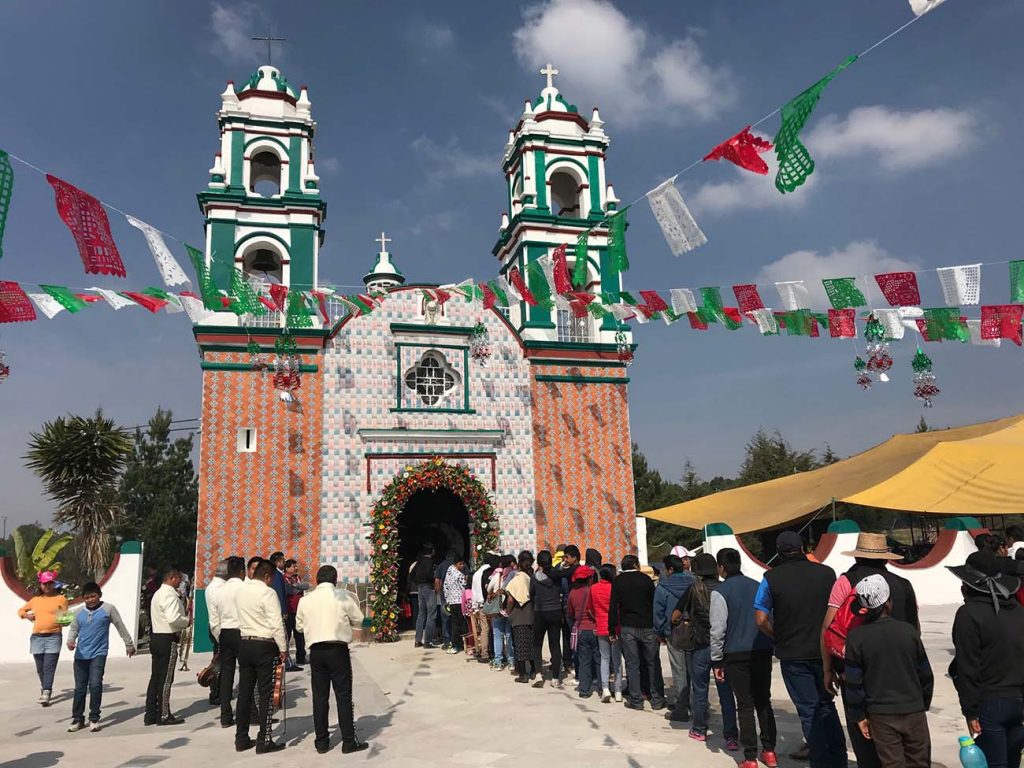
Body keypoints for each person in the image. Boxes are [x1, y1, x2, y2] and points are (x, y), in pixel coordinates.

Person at [821, 532, 919, 768]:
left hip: (856, 672)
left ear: (857, 556)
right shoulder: (903, 585)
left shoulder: (846, 582)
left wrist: (827, 669)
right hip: (900, 673)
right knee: (903, 742)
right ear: (885, 558)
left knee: (863, 735)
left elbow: (827, 628)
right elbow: (915, 629)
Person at [754, 531, 845, 768]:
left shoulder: (771, 578)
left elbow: (761, 619)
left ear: (778, 551)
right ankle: (839, 759)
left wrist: (778, 636)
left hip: (792, 653)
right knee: (827, 705)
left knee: (808, 710)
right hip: (824, 651)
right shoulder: (827, 574)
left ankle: (820, 762)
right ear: (803, 548)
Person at [843, 574, 933, 768]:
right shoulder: (908, 632)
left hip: (880, 715)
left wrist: (859, 715)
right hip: (913, 710)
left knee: (892, 763)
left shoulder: (856, 638)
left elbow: (853, 682)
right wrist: (922, 703)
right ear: (888, 603)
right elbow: (925, 674)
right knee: (919, 761)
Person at [949, 550, 1024, 768]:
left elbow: (968, 667)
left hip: (990, 703)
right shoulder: (1018, 611)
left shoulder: (968, 614)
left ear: (968, 586)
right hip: (1018, 701)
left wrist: (970, 711)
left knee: (993, 764)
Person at [710, 548, 776, 767]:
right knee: (763, 701)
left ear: (721, 567)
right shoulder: (758, 586)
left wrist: (716, 659)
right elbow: (769, 617)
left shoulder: (721, 592)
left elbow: (718, 629)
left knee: (745, 705)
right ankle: (769, 751)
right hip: (761, 649)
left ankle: (750, 757)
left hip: (735, 653)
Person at [296, 564, 369, 755]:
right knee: (343, 696)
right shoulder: (343, 596)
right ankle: (348, 742)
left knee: (320, 697)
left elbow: (299, 627)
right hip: (337, 650)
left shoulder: (306, 600)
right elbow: (359, 619)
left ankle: (321, 742)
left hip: (316, 652)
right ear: (335, 579)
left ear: (317, 579)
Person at [672, 552, 737, 747]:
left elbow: (675, 615)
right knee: (726, 692)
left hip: (700, 647)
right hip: (723, 647)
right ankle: (731, 736)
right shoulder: (725, 588)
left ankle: (699, 729)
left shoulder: (693, 589)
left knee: (700, 690)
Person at [65, 581, 135, 732]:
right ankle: (78, 719)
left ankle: (94, 718)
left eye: (93, 596)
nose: (90, 600)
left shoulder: (108, 609)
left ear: (99, 595)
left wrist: (128, 643)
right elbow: (74, 629)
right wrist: (70, 641)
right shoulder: (79, 612)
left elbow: (120, 626)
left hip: (99, 653)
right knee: (79, 689)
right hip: (81, 655)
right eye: (87, 597)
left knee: (95, 685)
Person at [234, 559, 287, 754]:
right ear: (266, 576)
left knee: (244, 693)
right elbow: (276, 623)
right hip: (264, 645)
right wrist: (283, 648)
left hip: (245, 643)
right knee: (266, 694)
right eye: (271, 578)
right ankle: (264, 740)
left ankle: (241, 738)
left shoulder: (241, 592)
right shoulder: (268, 593)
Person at [609, 554, 666, 711]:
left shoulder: (618, 581)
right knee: (653, 662)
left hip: (628, 627)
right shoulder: (646, 580)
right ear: (636, 565)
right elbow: (654, 603)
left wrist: (612, 628)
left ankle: (636, 699)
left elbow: (613, 606)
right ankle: (657, 699)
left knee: (632, 664)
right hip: (648, 626)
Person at [17, 570, 69, 707]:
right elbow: (20, 611)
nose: (47, 586)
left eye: (50, 583)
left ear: (54, 584)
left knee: (49, 666)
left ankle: (47, 691)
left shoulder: (61, 599)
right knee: (40, 668)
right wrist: (27, 615)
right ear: (40, 585)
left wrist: (65, 621)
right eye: (44, 583)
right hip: (37, 637)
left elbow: (64, 616)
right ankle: (44, 686)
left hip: (54, 636)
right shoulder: (35, 600)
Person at [146, 566, 190, 725]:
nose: (180, 583)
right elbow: (173, 618)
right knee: (165, 679)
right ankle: (164, 714)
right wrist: (186, 621)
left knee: (155, 677)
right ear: (172, 578)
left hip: (156, 636)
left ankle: (151, 713)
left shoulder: (158, 593)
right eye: (179, 579)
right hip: (167, 638)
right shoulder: (170, 595)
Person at [655, 553, 695, 723]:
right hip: (693, 632)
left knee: (679, 671)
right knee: (693, 670)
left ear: (670, 569)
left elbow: (658, 612)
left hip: (673, 632)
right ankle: (697, 706)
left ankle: (681, 708)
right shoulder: (694, 583)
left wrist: (660, 632)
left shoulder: (663, 587)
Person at [208, 555, 245, 728]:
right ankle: (247, 711)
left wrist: (219, 636)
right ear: (242, 572)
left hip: (225, 633)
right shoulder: (245, 588)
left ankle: (225, 715)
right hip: (242, 632)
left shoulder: (219, 591)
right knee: (246, 673)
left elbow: (214, 619)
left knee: (226, 674)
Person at [530, 550, 565, 688]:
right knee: (555, 644)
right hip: (556, 612)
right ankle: (555, 678)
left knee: (537, 644)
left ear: (539, 563)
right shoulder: (557, 576)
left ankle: (538, 674)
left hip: (540, 612)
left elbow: (531, 594)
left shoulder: (535, 577)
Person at [589, 563, 623, 702]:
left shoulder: (593, 588)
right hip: (615, 627)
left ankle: (605, 688)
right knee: (617, 659)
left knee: (604, 658)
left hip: (601, 626)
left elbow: (590, 608)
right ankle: (618, 690)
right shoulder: (615, 588)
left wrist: (597, 618)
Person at [566, 565, 598, 697]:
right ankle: (602, 688)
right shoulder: (593, 590)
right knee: (599, 660)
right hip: (595, 629)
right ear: (589, 578)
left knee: (584, 661)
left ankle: (584, 690)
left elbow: (570, 613)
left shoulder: (572, 593)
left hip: (581, 630)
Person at [507, 551, 537, 684]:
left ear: (519, 563)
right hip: (531, 614)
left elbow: (510, 600)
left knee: (519, 646)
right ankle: (534, 671)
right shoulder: (532, 577)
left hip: (519, 615)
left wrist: (508, 611)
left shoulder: (517, 579)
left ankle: (523, 674)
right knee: (531, 644)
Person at [267, 552, 298, 672]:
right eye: (283, 561)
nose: (284, 563)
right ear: (278, 562)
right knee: (283, 636)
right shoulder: (277, 575)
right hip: (279, 610)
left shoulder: (273, 574)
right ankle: (287, 662)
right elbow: (280, 594)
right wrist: (284, 611)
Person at [205, 560, 229, 707]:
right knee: (219, 663)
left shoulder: (214, 586)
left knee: (220, 661)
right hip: (219, 629)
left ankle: (218, 691)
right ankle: (216, 693)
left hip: (218, 628)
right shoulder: (218, 588)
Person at [488, 554, 515, 670]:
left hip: (498, 609)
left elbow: (488, 589)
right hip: (510, 609)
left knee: (498, 636)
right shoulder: (514, 575)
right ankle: (512, 661)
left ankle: (498, 662)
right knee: (509, 636)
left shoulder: (497, 576)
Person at [410, 544, 437, 648]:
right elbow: (429, 574)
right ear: (432, 551)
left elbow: (411, 575)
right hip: (428, 588)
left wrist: (418, 582)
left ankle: (418, 640)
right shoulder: (429, 562)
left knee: (421, 614)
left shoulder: (419, 562)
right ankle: (428, 641)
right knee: (431, 614)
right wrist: (432, 580)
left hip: (420, 588)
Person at [284, 559, 309, 666]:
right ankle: (286, 659)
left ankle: (301, 657)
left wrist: (295, 586)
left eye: (296, 566)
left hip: (299, 611)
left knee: (300, 635)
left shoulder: (297, 578)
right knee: (287, 635)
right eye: (293, 566)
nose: (296, 568)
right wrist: (297, 587)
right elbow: (289, 590)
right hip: (289, 611)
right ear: (287, 568)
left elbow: (306, 586)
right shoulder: (283, 578)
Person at [443, 555, 468, 654]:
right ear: (455, 563)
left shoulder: (448, 572)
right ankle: (457, 645)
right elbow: (464, 586)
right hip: (459, 601)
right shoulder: (459, 574)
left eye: (463, 564)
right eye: (460, 564)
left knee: (455, 624)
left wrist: (447, 599)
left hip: (452, 602)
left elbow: (445, 587)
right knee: (460, 624)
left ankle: (456, 644)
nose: (462, 566)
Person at [434, 549, 455, 648]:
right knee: (456, 618)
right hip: (457, 596)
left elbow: (437, 581)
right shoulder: (459, 564)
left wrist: (439, 593)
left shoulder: (441, 566)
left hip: (444, 596)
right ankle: (456, 640)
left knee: (445, 618)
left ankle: (447, 641)